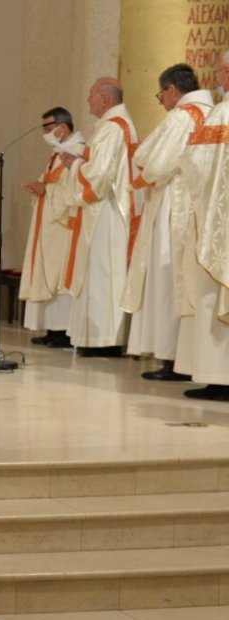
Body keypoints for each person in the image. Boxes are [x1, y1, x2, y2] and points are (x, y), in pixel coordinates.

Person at [125, 64, 212, 382]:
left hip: (173, 208)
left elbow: (159, 164)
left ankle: (169, 356)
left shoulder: (181, 116)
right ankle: (186, 355)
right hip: (197, 208)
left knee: (167, 279)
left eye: (161, 92)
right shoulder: (211, 111)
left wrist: (142, 165)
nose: (161, 99)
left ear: (173, 90)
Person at [58, 78, 139, 357]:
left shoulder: (113, 128)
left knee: (103, 274)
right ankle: (95, 337)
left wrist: (75, 164)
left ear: (105, 100)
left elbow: (100, 176)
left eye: (91, 95)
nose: (88, 100)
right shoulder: (113, 126)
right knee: (99, 274)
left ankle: (104, 339)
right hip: (104, 210)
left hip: (106, 213)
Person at [20, 107, 86, 347]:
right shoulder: (58, 153)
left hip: (64, 225)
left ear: (64, 127)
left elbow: (74, 190)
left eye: (48, 128)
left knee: (60, 275)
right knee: (48, 273)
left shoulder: (77, 153)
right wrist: (39, 187)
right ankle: (52, 329)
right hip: (49, 223)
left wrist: (45, 189)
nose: (46, 134)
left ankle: (63, 331)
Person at [185, 50, 229, 401]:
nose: (217, 79)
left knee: (214, 294)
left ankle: (219, 377)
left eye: (220, 72)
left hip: (220, 219)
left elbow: (197, 167)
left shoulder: (223, 113)